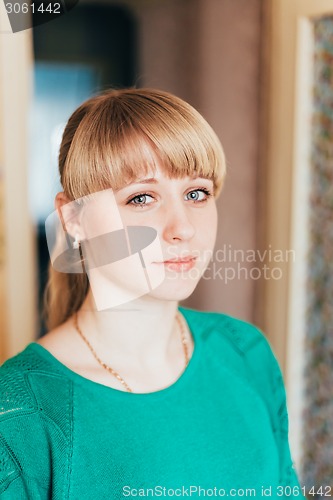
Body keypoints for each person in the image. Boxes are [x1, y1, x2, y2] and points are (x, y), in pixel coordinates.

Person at [0, 88, 303, 499]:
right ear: (73, 219)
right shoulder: (20, 413)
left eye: (197, 193)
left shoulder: (245, 352)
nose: (183, 228)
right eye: (141, 198)